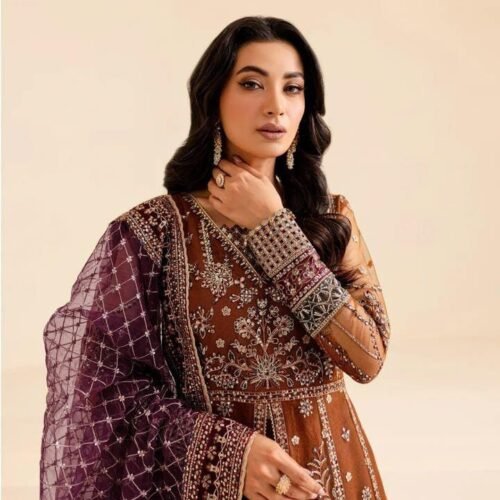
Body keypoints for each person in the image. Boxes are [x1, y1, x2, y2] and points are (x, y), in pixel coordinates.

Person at [39, 15, 391, 500]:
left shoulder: (331, 218)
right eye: (252, 84)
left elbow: (367, 358)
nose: (275, 105)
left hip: (336, 481)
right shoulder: (153, 232)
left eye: (292, 88)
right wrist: (230, 455)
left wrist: (276, 230)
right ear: (213, 97)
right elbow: (105, 393)